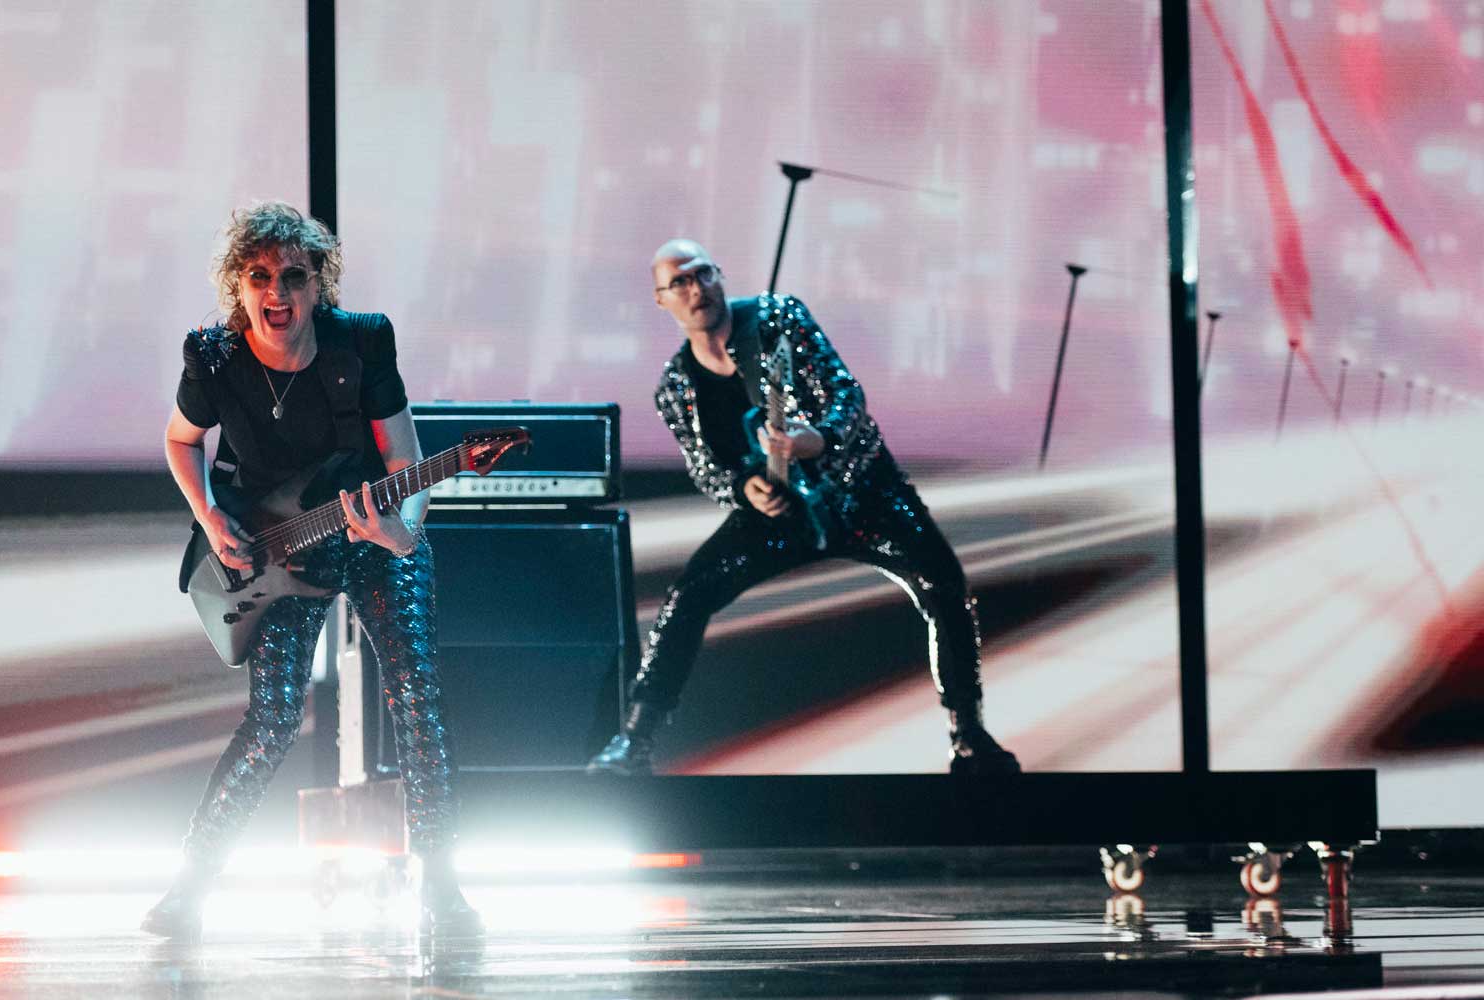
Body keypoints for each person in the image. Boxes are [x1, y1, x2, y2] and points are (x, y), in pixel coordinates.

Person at [146, 201, 479, 937]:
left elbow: (407, 464)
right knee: (270, 720)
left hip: (368, 527)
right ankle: (189, 888)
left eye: (294, 276)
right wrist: (210, 516)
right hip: (273, 549)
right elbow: (180, 441)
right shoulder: (212, 356)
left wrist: (399, 534)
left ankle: (443, 889)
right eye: (259, 275)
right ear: (237, 285)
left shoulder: (360, 344)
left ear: (318, 284)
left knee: (417, 697)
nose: (278, 292)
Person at [587, 238, 1021, 776]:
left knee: (944, 584)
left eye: (701, 275)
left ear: (720, 275)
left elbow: (846, 394)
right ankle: (635, 742)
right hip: (778, 518)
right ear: (661, 300)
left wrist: (820, 438)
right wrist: (744, 489)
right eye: (679, 283)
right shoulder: (676, 388)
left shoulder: (778, 318)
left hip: (862, 493)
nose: (695, 289)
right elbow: (706, 468)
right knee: (687, 596)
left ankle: (969, 736)